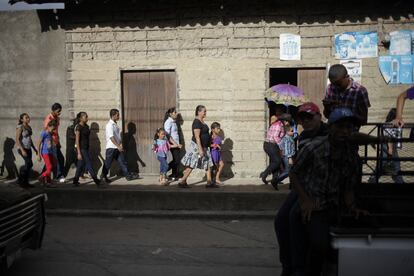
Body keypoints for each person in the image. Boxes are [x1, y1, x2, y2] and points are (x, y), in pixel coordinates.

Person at [289, 108, 368, 276]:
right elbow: (294, 173)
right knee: (318, 245)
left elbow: (348, 186)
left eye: (348, 128)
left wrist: (352, 206)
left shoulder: (351, 155)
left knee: (340, 247)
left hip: (335, 206)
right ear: (330, 127)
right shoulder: (313, 148)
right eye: (340, 127)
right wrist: (305, 200)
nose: (344, 132)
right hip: (315, 206)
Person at [274, 102, 328, 276]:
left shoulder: (329, 133)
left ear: (319, 116)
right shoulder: (304, 136)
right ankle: (287, 264)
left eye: (310, 117)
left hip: (319, 187)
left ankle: (299, 267)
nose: (306, 121)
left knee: (294, 218)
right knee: (281, 219)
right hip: (302, 185)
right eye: (303, 119)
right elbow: (296, 170)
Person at [179, 105, 215, 188]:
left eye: (205, 111)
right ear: (199, 112)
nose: (205, 113)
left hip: (205, 146)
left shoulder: (201, 121)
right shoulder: (196, 122)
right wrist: (200, 149)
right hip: (197, 147)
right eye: (204, 111)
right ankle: (182, 181)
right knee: (192, 164)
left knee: (208, 163)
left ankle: (209, 182)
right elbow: (197, 137)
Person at [368, 108, 404, 184]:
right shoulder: (391, 124)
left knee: (382, 167)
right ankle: (400, 184)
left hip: (387, 148)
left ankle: (372, 181)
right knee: (394, 168)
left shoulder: (387, 124)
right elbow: (389, 138)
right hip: (388, 148)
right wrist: (390, 149)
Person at [101, 109, 138, 182]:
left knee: (122, 162)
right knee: (107, 164)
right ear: (113, 115)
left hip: (117, 147)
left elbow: (117, 137)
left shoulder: (115, 125)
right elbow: (111, 137)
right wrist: (118, 146)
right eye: (117, 115)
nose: (119, 116)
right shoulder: (109, 125)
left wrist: (120, 145)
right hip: (111, 148)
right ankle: (103, 177)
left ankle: (128, 176)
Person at [73, 112, 102, 187]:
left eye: (87, 116)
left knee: (80, 165)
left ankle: (75, 180)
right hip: (81, 149)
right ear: (80, 118)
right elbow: (77, 141)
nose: (87, 118)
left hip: (86, 148)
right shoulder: (78, 127)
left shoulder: (86, 126)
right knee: (89, 164)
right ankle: (96, 180)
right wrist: (79, 153)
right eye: (85, 117)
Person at [260, 111, 285, 190]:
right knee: (277, 161)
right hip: (271, 145)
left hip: (268, 145)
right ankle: (265, 173)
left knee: (275, 161)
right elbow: (275, 137)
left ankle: (275, 179)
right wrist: (281, 146)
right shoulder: (278, 125)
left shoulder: (274, 124)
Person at [43, 103, 65, 183]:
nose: (59, 113)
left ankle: (43, 175)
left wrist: (58, 141)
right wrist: (51, 142)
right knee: (57, 160)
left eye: (60, 111)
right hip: (51, 143)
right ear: (53, 110)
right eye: (58, 111)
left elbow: (56, 131)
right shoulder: (48, 118)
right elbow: (47, 131)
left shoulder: (57, 118)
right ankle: (58, 176)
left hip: (56, 141)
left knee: (56, 160)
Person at [15, 113, 38, 188]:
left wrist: (34, 148)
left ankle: (25, 182)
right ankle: (21, 181)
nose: (28, 119)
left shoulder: (28, 127)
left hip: (28, 148)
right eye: (26, 118)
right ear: (22, 119)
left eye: (28, 117)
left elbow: (29, 139)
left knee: (29, 164)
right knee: (28, 164)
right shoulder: (20, 127)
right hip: (22, 148)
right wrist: (22, 150)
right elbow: (17, 140)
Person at [163, 107, 182, 180]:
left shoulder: (174, 122)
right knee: (176, 160)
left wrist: (178, 143)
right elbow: (167, 134)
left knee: (176, 159)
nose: (176, 113)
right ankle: (164, 170)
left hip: (176, 143)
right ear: (170, 114)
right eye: (175, 112)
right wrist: (173, 144)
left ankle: (174, 174)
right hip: (172, 144)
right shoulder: (168, 122)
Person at [37, 120, 58, 188]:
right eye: (53, 129)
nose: (53, 130)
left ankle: (48, 182)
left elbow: (50, 143)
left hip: (50, 152)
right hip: (45, 153)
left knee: (48, 168)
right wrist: (38, 154)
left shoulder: (50, 134)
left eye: (54, 129)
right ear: (49, 126)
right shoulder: (44, 133)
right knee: (49, 167)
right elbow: (39, 143)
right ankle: (41, 177)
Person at [277, 114, 296, 184]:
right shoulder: (287, 138)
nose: (293, 132)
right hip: (287, 156)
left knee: (291, 170)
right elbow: (287, 148)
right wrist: (289, 157)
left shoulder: (289, 137)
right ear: (288, 131)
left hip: (289, 155)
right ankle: (276, 180)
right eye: (292, 131)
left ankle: (291, 185)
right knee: (288, 171)